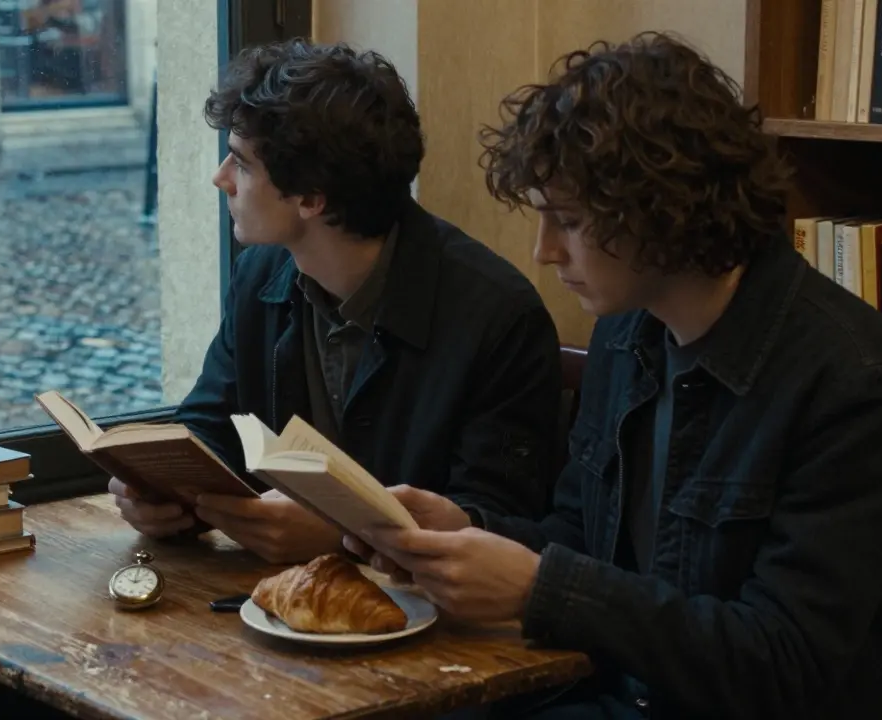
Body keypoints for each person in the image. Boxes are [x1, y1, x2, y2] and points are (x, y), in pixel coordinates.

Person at [348, 32, 882, 719]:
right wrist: (464, 530)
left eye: (571, 221)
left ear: (663, 208)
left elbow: (784, 661)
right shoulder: (627, 331)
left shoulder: (852, 382)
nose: (544, 251)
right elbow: (585, 538)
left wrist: (543, 590)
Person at [108, 39, 565, 564]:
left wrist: (341, 537)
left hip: (428, 626)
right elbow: (213, 423)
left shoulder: (498, 316)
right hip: (279, 602)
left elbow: (501, 524)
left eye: (241, 163)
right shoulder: (261, 272)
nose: (221, 179)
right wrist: (158, 493)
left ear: (311, 196)